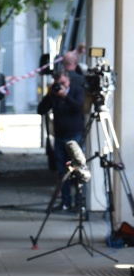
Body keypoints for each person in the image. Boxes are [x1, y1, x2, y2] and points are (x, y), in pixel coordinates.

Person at [37, 70, 86, 212]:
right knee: (62, 172)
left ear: (69, 81)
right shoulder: (54, 94)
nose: (61, 86)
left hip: (75, 136)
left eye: (63, 83)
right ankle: (65, 202)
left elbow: (79, 108)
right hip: (59, 137)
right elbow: (41, 110)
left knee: (77, 170)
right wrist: (50, 94)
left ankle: (79, 203)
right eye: (59, 84)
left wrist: (65, 96)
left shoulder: (77, 91)